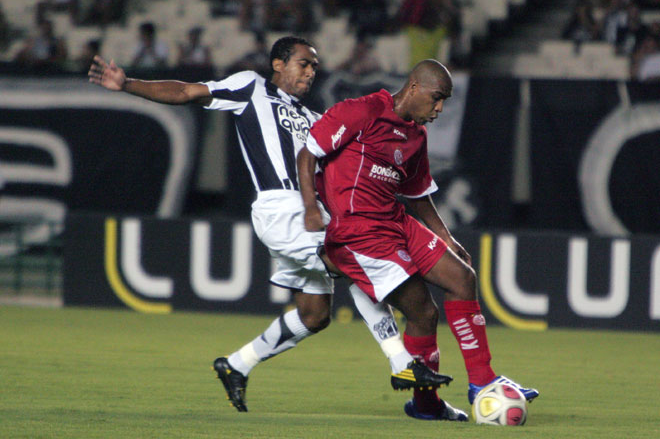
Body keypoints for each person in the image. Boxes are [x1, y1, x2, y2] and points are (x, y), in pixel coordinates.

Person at [87, 36, 450, 413]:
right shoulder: (250, 87)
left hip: (315, 215)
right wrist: (127, 84)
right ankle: (403, 363)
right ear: (278, 64)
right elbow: (186, 91)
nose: (311, 71)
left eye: (314, 66)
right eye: (303, 63)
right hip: (282, 208)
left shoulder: (315, 119)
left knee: (315, 315)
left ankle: (237, 364)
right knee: (358, 260)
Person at [297, 59, 539, 420]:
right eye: (437, 98)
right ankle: (427, 405)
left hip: (395, 221)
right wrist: (311, 208)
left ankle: (482, 383)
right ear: (413, 88)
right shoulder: (361, 111)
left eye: (445, 102)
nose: (439, 109)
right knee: (423, 311)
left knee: (462, 277)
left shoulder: (414, 136)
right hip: (358, 232)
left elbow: (418, 193)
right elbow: (307, 153)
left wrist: (446, 237)